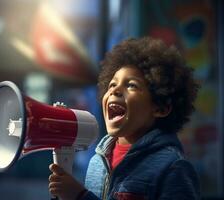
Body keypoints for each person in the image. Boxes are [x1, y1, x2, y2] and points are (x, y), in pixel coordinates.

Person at [48, 37, 201, 200]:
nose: (115, 90)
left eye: (131, 85)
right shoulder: (97, 162)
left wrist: (80, 196)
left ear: (160, 108)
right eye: (112, 85)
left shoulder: (173, 167)